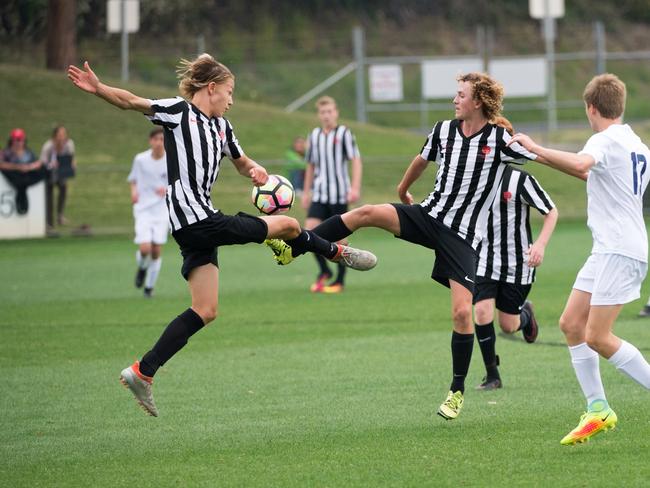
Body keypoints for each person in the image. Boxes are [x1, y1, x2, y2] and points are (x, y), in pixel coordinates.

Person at [67, 54, 376, 417]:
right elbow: (132, 101)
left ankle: (143, 371)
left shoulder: (223, 128)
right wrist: (99, 88)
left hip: (194, 228)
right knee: (290, 226)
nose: (231, 100)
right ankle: (338, 252)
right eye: (229, 92)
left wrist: (256, 170)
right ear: (211, 88)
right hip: (198, 218)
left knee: (205, 309)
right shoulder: (178, 112)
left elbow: (241, 162)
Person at [267, 72, 538, 419]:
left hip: (463, 237)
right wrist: (402, 188)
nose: (454, 100)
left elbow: (538, 158)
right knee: (365, 212)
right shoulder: (443, 130)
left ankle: (456, 391)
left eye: (460, 95)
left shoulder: (500, 139)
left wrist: (569, 161)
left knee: (460, 312)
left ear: (479, 102)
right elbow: (422, 159)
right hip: (428, 216)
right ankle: (296, 247)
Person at [508, 73, 650, 445]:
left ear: (590, 108)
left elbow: (583, 164)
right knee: (572, 324)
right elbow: (593, 176)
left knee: (598, 335)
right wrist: (539, 156)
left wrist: (536, 149)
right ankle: (598, 408)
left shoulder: (603, 140)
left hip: (620, 248)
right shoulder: (635, 143)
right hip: (609, 247)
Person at [473, 116, 558, 391]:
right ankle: (492, 375)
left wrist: (541, 245)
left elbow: (551, 211)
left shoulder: (520, 180)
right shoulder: (473, 178)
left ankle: (526, 315)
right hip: (485, 258)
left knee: (508, 325)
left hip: (518, 264)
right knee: (482, 311)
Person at [302, 96, 363, 293]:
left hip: (339, 195)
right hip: (320, 193)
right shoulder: (314, 136)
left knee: (339, 240)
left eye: (330, 111)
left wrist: (354, 188)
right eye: (323, 112)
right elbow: (310, 165)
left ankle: (340, 280)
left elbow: (355, 160)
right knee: (308, 232)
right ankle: (324, 271)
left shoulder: (344, 133)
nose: (327, 115)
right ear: (319, 115)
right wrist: (306, 192)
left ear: (336, 112)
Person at [127, 127, 168, 298]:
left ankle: (149, 288)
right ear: (151, 141)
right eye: (156, 139)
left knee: (156, 250)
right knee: (145, 248)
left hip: (161, 210)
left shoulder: (171, 160)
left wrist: (166, 190)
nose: (159, 142)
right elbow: (133, 179)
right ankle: (142, 268)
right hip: (143, 208)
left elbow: (179, 183)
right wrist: (134, 192)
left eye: (162, 139)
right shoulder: (140, 159)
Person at [0, 128, 45, 215]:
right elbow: (1, 164)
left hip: (27, 175)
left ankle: (24, 189)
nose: (18, 142)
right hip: (14, 176)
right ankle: (21, 200)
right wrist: (17, 167)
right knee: (14, 175)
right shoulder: (6, 152)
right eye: (16, 140)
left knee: (44, 170)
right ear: (12, 140)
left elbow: (38, 163)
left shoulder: (28, 152)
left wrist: (29, 167)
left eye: (20, 140)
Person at [40, 125, 76, 229]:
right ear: (54, 136)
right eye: (59, 134)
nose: (62, 137)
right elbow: (43, 162)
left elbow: (71, 157)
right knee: (49, 196)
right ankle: (49, 223)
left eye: (64, 134)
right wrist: (51, 165)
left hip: (61, 172)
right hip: (48, 173)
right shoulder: (48, 146)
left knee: (63, 189)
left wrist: (72, 164)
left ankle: (60, 215)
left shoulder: (69, 144)